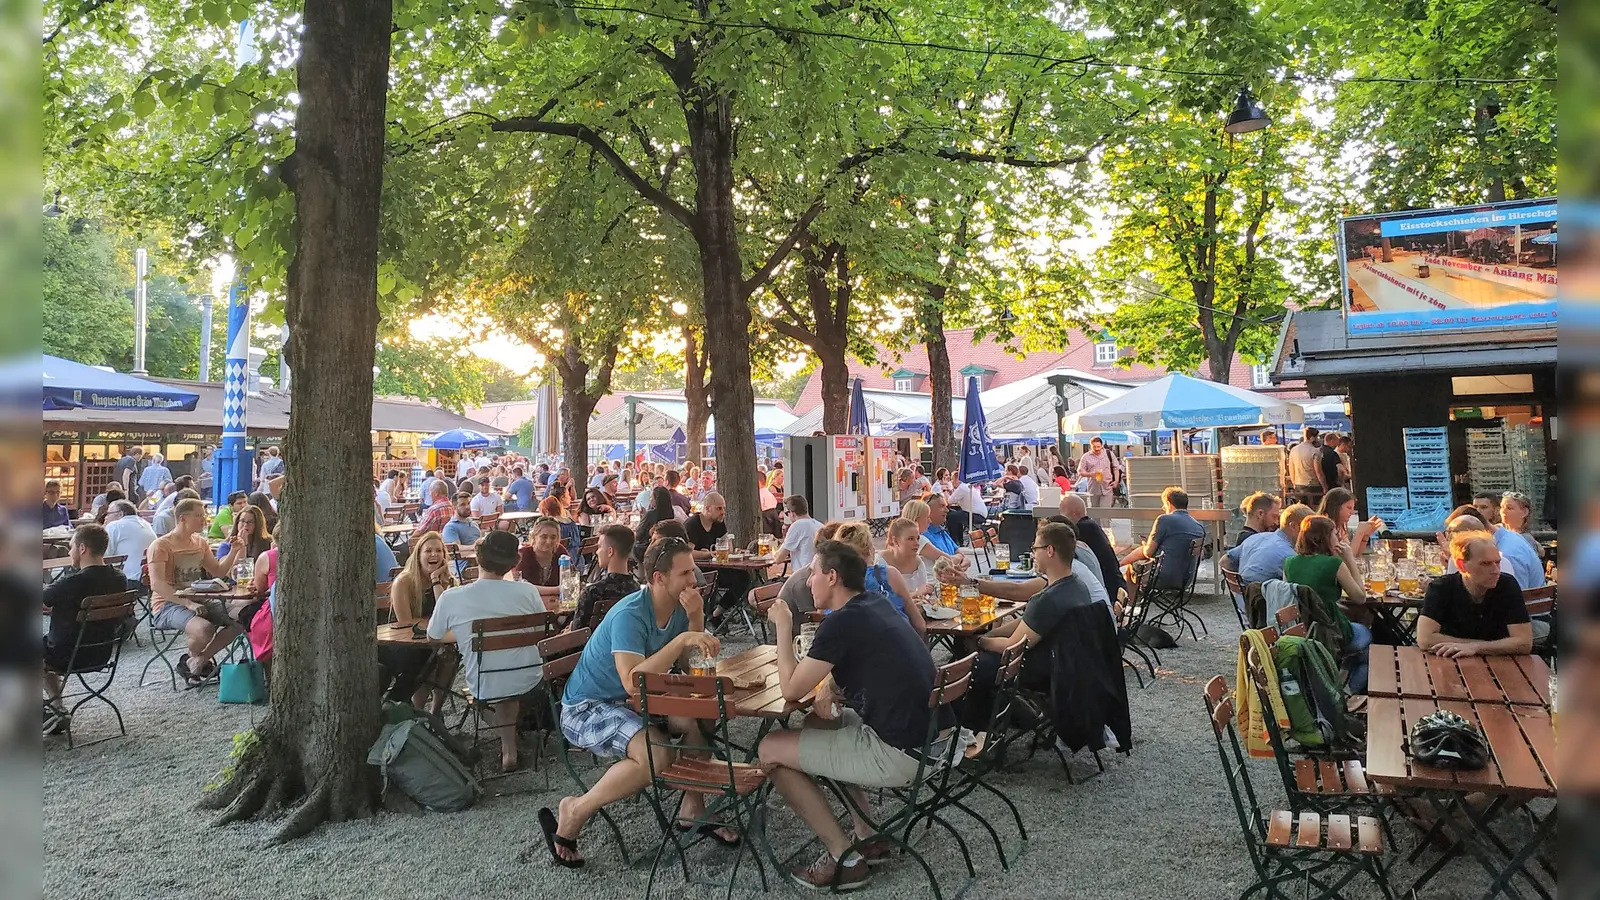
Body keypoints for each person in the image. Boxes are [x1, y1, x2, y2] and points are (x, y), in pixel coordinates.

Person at [758, 540, 948, 889]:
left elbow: (790, 691)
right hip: (933, 741)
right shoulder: (875, 604)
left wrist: (783, 625)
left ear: (832, 577)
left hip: (899, 753)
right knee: (819, 723)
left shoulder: (841, 624)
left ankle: (843, 856)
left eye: (813, 574)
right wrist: (830, 681)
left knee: (770, 749)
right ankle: (868, 834)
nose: (808, 581)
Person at [541, 537, 725, 867]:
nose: (694, 580)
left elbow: (688, 667)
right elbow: (632, 681)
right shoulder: (631, 613)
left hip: (635, 701)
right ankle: (576, 809)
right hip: (589, 706)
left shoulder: (680, 608)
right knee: (656, 755)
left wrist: (695, 621)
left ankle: (691, 806)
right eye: (685, 573)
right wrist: (684, 637)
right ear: (659, 578)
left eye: (692, 572)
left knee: (703, 715)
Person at [959, 523, 1097, 731]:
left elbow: (1011, 646)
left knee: (970, 666)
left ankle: (974, 729)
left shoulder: (1050, 597)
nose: (1033, 554)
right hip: (1068, 666)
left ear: (1049, 551)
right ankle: (999, 718)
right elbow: (1029, 624)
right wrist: (990, 636)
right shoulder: (1077, 586)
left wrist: (980, 641)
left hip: (1044, 671)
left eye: (1035, 549)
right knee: (980, 659)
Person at [428, 531, 546, 770]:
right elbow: (539, 629)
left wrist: (465, 634)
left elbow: (434, 636)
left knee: (492, 679)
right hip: (530, 677)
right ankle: (509, 749)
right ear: (513, 562)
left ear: (478, 558)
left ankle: (508, 747)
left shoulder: (452, 597)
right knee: (505, 675)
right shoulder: (528, 591)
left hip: (484, 682)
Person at [42, 524, 132, 733]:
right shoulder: (119, 578)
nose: (70, 551)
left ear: (82, 549)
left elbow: (43, 597)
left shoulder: (71, 582)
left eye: (72, 546)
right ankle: (56, 710)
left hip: (65, 654)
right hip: (101, 654)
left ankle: (48, 709)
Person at [147, 498, 246, 685]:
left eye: (204, 515)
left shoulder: (200, 542)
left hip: (197, 598)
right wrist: (188, 603)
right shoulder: (161, 545)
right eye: (199, 516)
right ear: (183, 518)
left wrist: (234, 551)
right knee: (204, 629)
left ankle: (197, 661)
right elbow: (157, 585)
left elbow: (218, 571)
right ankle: (197, 663)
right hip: (167, 604)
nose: (204, 520)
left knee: (243, 618)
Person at [1282, 516, 1374, 693]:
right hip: (1331, 630)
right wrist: (1349, 559)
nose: (1338, 538)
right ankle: (1347, 692)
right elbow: (1360, 597)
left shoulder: (1289, 563)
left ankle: (1337, 675)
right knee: (1368, 638)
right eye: (1334, 533)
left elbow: (1293, 597)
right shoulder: (1333, 563)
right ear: (1323, 537)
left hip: (1303, 629)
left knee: (1358, 632)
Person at [1417, 532, 1533, 658]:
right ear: (1461, 565)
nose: (1495, 570)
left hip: (1500, 666)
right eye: (1485, 564)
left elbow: (1524, 642)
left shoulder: (1507, 585)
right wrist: (1488, 646)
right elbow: (1425, 639)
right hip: (1449, 664)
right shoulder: (1442, 587)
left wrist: (1475, 647)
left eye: (1497, 562)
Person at [834, 521, 926, 636]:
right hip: (892, 646)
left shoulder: (832, 581)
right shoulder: (888, 575)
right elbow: (919, 624)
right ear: (870, 550)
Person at [1120, 487, 1206, 590]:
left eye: (1164, 504)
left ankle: (1131, 603)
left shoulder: (1164, 519)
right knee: (1143, 551)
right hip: (1186, 580)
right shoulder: (1198, 526)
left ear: (1169, 504)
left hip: (1163, 578)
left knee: (1131, 568)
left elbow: (1148, 553)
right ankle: (1118, 565)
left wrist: (1146, 545)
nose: (1163, 508)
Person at [571, 525, 639, 632]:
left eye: (599, 547)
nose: (597, 552)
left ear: (610, 551)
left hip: (592, 647)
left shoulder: (592, 592)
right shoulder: (637, 590)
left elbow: (577, 634)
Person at [1227, 503, 1315, 585]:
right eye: (1307, 528)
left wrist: (1237, 585)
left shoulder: (1255, 538)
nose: (1311, 534)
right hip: (1264, 599)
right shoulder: (1289, 556)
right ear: (1293, 526)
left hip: (1245, 597)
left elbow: (1224, 561)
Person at [1059, 492, 1124, 599]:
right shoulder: (1091, 526)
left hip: (1107, 596)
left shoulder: (1081, 530)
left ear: (1074, 513)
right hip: (1114, 589)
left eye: (1063, 515)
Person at [102, 500, 157, 586]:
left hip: (125, 581)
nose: (106, 517)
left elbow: (103, 555)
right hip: (147, 580)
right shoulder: (146, 524)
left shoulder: (114, 526)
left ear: (120, 514)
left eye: (109, 513)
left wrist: (103, 529)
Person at [878, 517, 934, 604]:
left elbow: (924, 593)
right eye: (911, 539)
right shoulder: (880, 563)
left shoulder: (918, 562)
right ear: (895, 541)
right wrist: (915, 594)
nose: (916, 543)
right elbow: (883, 599)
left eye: (918, 538)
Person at [1319, 487, 1384, 555]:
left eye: (1353, 508)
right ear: (1336, 507)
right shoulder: (1326, 529)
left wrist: (1365, 535)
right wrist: (1359, 533)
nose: (1352, 512)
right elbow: (1348, 559)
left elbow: (1356, 556)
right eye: (1349, 508)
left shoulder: (1341, 527)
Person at [516, 517, 566, 606]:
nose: (548, 541)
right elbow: (520, 586)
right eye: (544, 537)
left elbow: (570, 578)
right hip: (529, 606)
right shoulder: (524, 554)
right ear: (534, 537)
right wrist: (556, 590)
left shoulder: (560, 551)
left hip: (556, 606)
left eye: (553, 537)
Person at [773, 494, 823, 572]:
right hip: (819, 574)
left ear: (792, 513)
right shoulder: (820, 525)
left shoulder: (797, 525)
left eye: (787, 513)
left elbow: (779, 559)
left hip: (803, 575)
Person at [1498, 491, 1544, 560]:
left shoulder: (1526, 540)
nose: (1503, 511)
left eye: (1509, 508)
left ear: (1524, 512)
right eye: (1502, 507)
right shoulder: (1498, 532)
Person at [441, 493, 482, 569]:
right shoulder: (450, 527)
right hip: (465, 567)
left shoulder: (473, 523)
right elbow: (455, 548)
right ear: (454, 507)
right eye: (462, 504)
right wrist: (473, 547)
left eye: (468, 503)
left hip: (480, 562)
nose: (467, 507)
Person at [1288, 426, 1325, 508]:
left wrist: (1294, 483)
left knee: (1302, 511)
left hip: (1298, 484)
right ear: (1312, 438)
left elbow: (1291, 469)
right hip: (1313, 486)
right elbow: (1318, 472)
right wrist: (1325, 487)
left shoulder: (1293, 450)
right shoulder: (1315, 451)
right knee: (1314, 510)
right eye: (1317, 437)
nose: (1318, 440)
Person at [684, 492, 728, 559]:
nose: (723, 512)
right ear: (708, 508)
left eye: (723, 508)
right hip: (695, 567)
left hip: (717, 565)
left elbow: (727, 547)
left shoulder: (719, 522)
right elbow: (686, 553)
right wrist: (707, 554)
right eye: (719, 508)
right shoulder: (692, 525)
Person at [1077, 437, 1117, 508]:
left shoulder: (1109, 454)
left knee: (1105, 513)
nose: (1097, 449)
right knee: (1095, 513)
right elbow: (1080, 471)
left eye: (1098, 446)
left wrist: (1116, 481)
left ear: (1102, 446)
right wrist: (1090, 474)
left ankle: (1105, 519)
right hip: (1093, 488)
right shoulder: (1086, 457)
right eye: (1094, 447)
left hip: (1107, 487)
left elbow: (1116, 467)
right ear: (1091, 446)